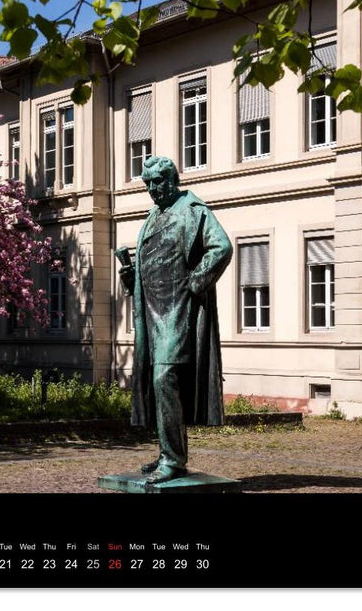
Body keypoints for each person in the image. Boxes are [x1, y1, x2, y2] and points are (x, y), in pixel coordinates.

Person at [118, 156, 233, 483]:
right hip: (152, 313)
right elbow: (152, 263)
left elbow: (221, 247)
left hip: (178, 310)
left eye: (158, 182)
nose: (152, 190)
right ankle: (170, 455)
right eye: (147, 184)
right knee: (158, 384)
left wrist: (196, 282)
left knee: (164, 378)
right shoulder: (153, 216)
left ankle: (172, 459)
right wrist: (132, 277)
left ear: (172, 180)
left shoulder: (193, 210)